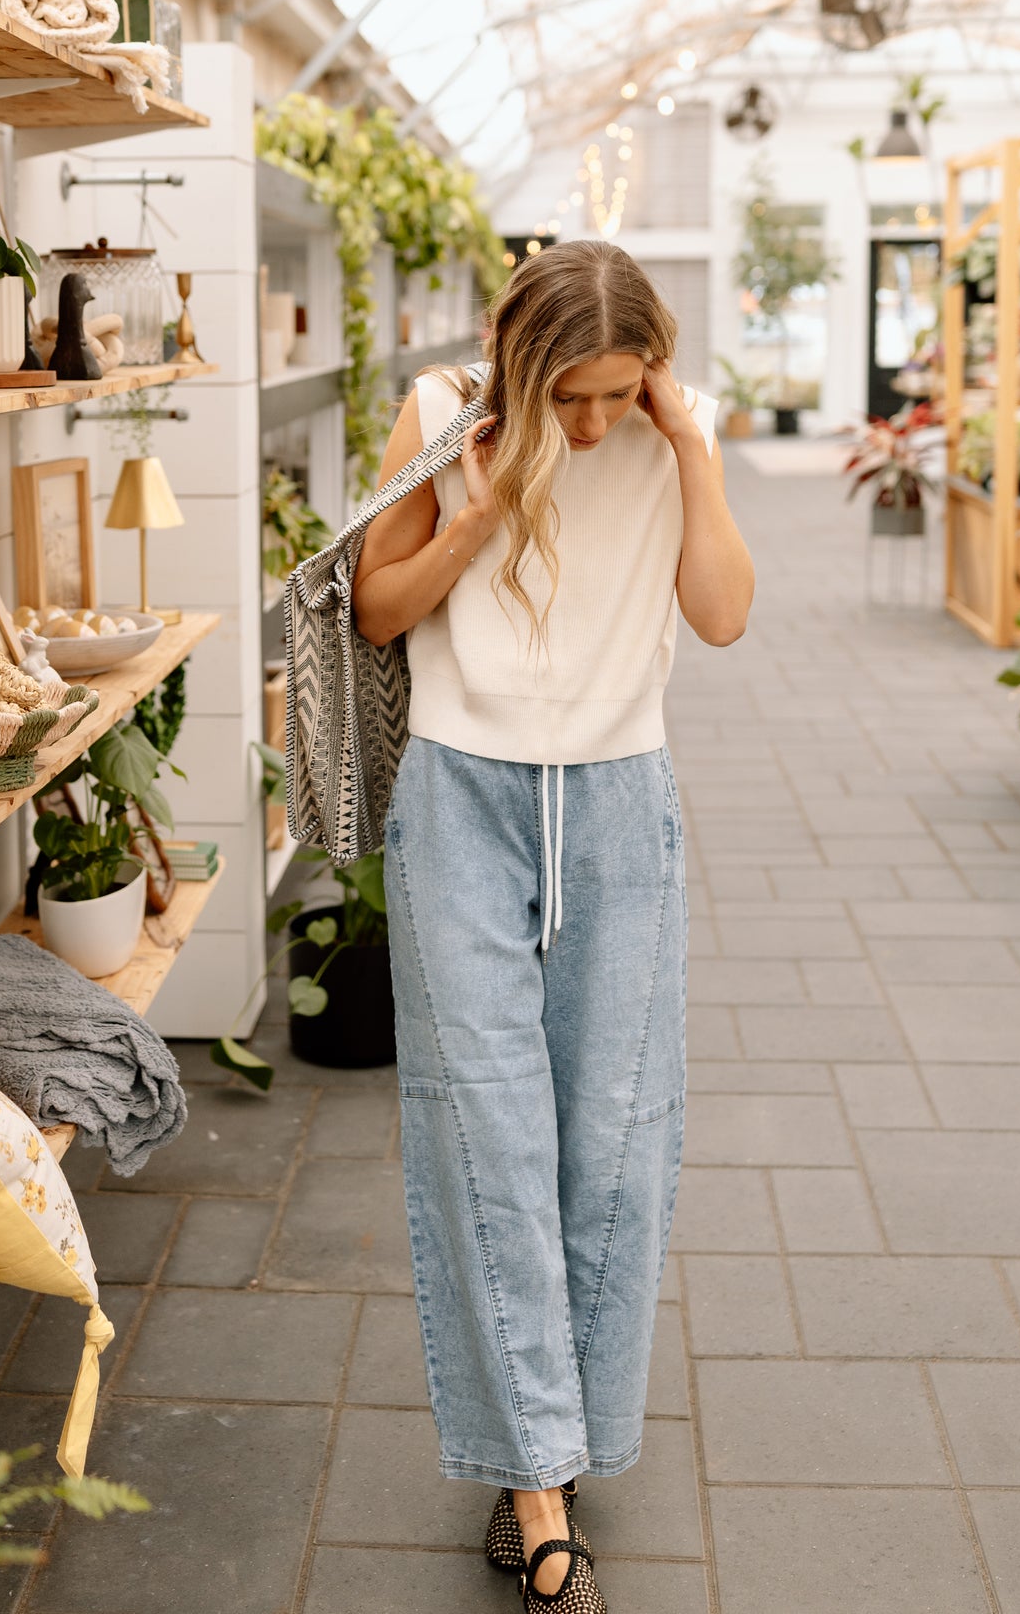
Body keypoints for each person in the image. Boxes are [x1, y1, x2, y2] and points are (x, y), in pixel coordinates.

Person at [353, 239, 754, 1611]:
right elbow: (378, 605)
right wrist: (475, 503)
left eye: (612, 395)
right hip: (462, 801)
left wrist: (688, 450)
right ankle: (532, 1487)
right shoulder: (436, 412)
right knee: (487, 1135)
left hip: (620, 803)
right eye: (565, 398)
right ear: (518, 362)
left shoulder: (663, 430)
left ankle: (564, 1446)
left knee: (615, 1145)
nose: (589, 426)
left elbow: (721, 616)